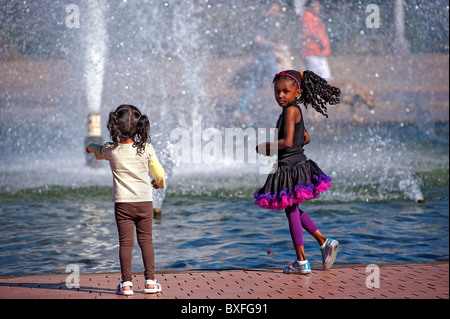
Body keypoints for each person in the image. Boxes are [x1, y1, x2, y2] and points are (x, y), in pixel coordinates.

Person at [254, 70, 340, 274]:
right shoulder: (292, 111)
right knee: (291, 209)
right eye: (277, 92)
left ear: (297, 93)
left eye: (285, 91)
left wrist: (267, 147)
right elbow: (306, 138)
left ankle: (302, 262)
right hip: (295, 164)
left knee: (291, 210)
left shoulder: (290, 111)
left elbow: (289, 141)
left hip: (290, 168)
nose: (280, 95)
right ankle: (323, 242)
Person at [86, 104, 166, 295]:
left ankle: (127, 284)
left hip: (122, 204)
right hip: (144, 203)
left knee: (125, 243)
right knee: (146, 241)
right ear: (139, 127)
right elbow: (160, 175)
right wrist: (158, 184)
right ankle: (150, 282)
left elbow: (96, 150)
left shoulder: (111, 150)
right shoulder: (146, 149)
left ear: (115, 126)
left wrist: (89, 147)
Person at [235, 2, 281, 120]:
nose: (276, 14)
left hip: (264, 56)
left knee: (255, 82)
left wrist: (274, 53)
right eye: (274, 11)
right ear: (268, 9)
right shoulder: (262, 21)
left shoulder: (267, 22)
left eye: (277, 11)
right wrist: (274, 46)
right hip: (264, 57)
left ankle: (241, 109)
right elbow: (258, 39)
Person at [300, 0, 332, 81]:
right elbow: (310, 32)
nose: (319, 8)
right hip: (311, 52)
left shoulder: (313, 17)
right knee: (314, 78)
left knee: (326, 76)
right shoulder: (306, 16)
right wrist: (320, 42)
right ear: (311, 6)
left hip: (318, 52)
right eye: (317, 6)